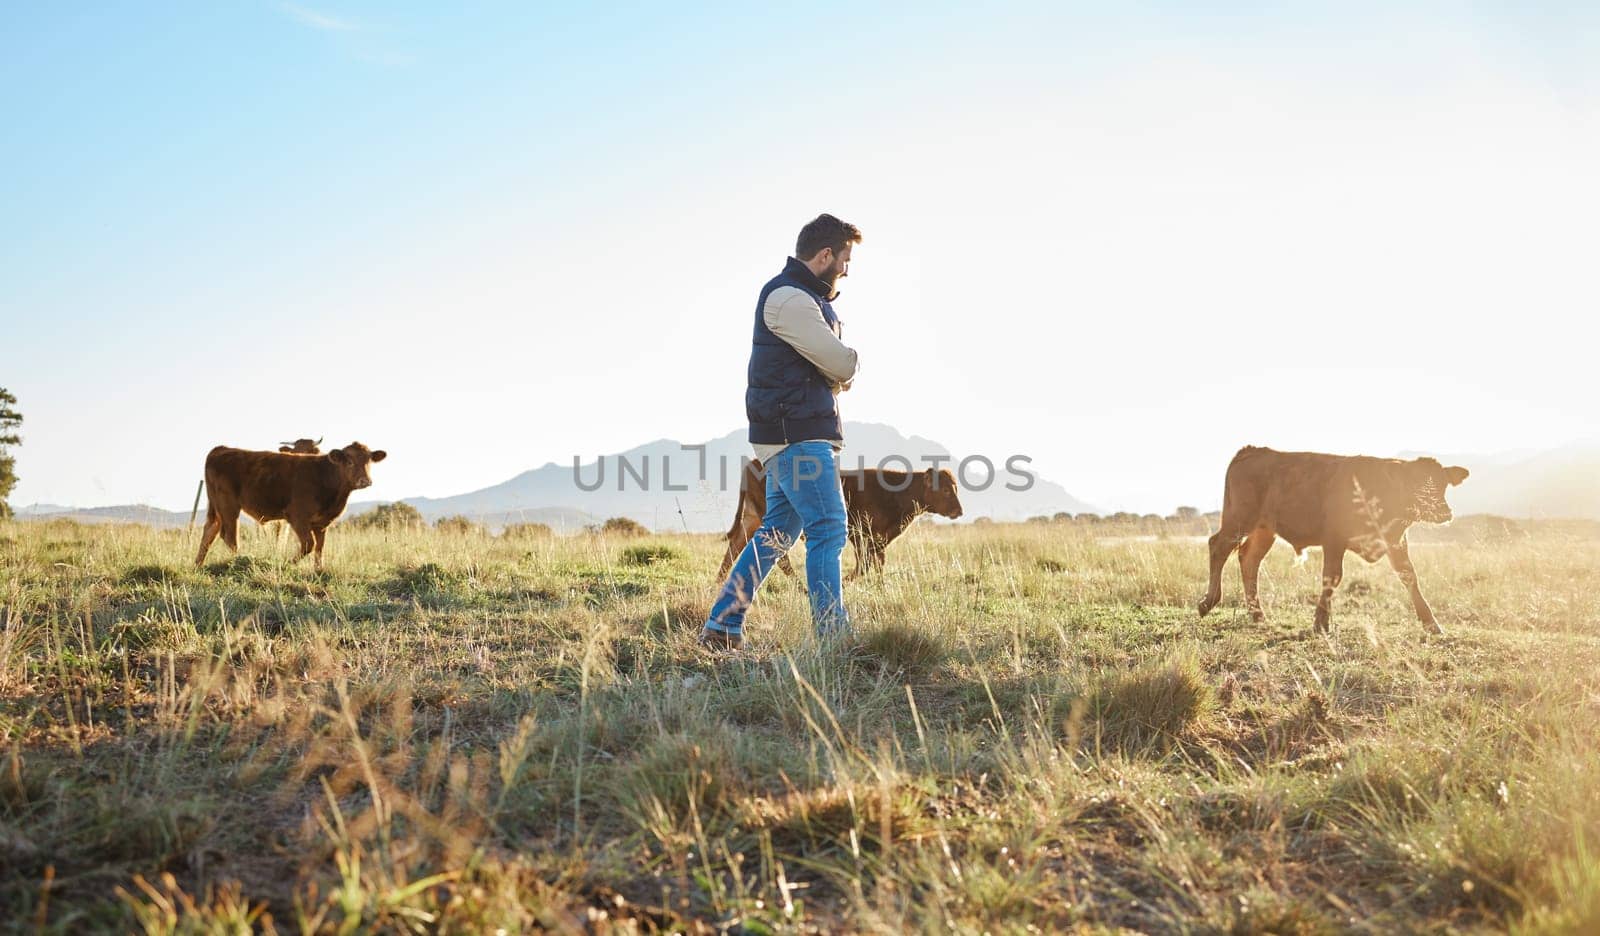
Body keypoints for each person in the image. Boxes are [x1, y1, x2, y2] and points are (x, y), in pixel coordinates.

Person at [699, 214, 863, 651]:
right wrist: (845, 366)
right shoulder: (790, 299)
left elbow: (830, 365)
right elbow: (842, 364)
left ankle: (722, 627)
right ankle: (833, 638)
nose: (847, 270)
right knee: (828, 528)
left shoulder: (803, 299)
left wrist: (834, 368)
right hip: (798, 434)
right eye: (845, 260)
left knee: (777, 533)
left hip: (793, 432)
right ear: (825, 255)